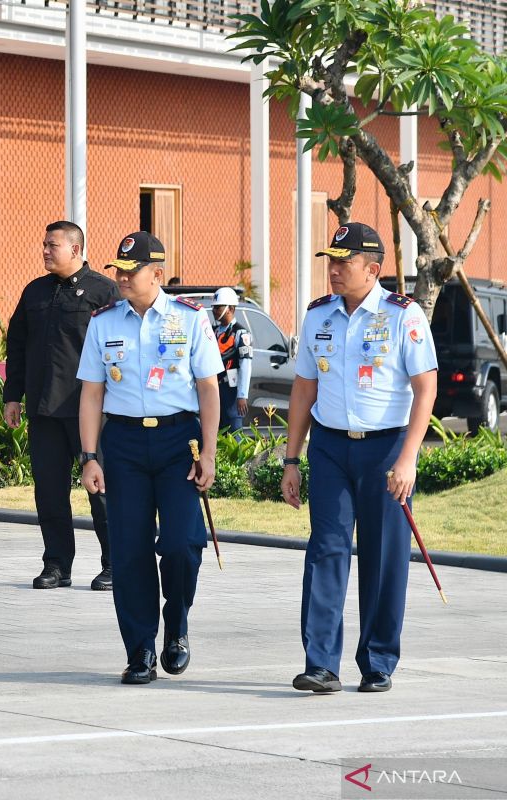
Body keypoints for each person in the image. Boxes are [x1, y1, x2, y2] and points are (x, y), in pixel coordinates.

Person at [281, 222, 438, 694]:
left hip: (386, 446)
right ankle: (321, 663)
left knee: (383, 555)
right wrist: (292, 459)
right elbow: (305, 387)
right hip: (330, 446)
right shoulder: (318, 315)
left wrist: (408, 457)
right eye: (330, 260)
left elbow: (425, 386)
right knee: (325, 549)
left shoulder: (402, 315)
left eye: (343, 262)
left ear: (372, 269)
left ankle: (377, 661)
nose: (333, 269)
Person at [77, 231, 222, 685]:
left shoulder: (190, 319)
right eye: (118, 269)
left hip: (179, 441)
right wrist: (89, 456)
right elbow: (91, 394)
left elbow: (208, 388)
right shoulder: (104, 322)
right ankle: (139, 648)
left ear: (157, 273)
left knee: (182, 545)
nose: (121, 277)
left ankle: (175, 626)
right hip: (122, 445)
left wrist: (211, 454)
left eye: (131, 270)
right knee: (130, 549)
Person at [4, 223, 118, 592]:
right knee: (49, 492)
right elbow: (17, 345)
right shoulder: (35, 291)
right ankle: (56, 564)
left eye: (52, 245)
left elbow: (119, 350)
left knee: (101, 491)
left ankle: (115, 563)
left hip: (91, 411)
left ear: (76, 248)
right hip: (43, 409)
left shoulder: (104, 291)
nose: (45, 251)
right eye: (44, 245)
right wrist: (12, 396)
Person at [210, 287, 253, 432]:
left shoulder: (240, 333)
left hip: (232, 390)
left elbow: (245, 365)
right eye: (213, 307)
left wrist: (242, 395)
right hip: (215, 389)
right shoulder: (213, 331)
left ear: (230, 308)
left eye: (218, 307)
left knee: (234, 432)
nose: (214, 310)